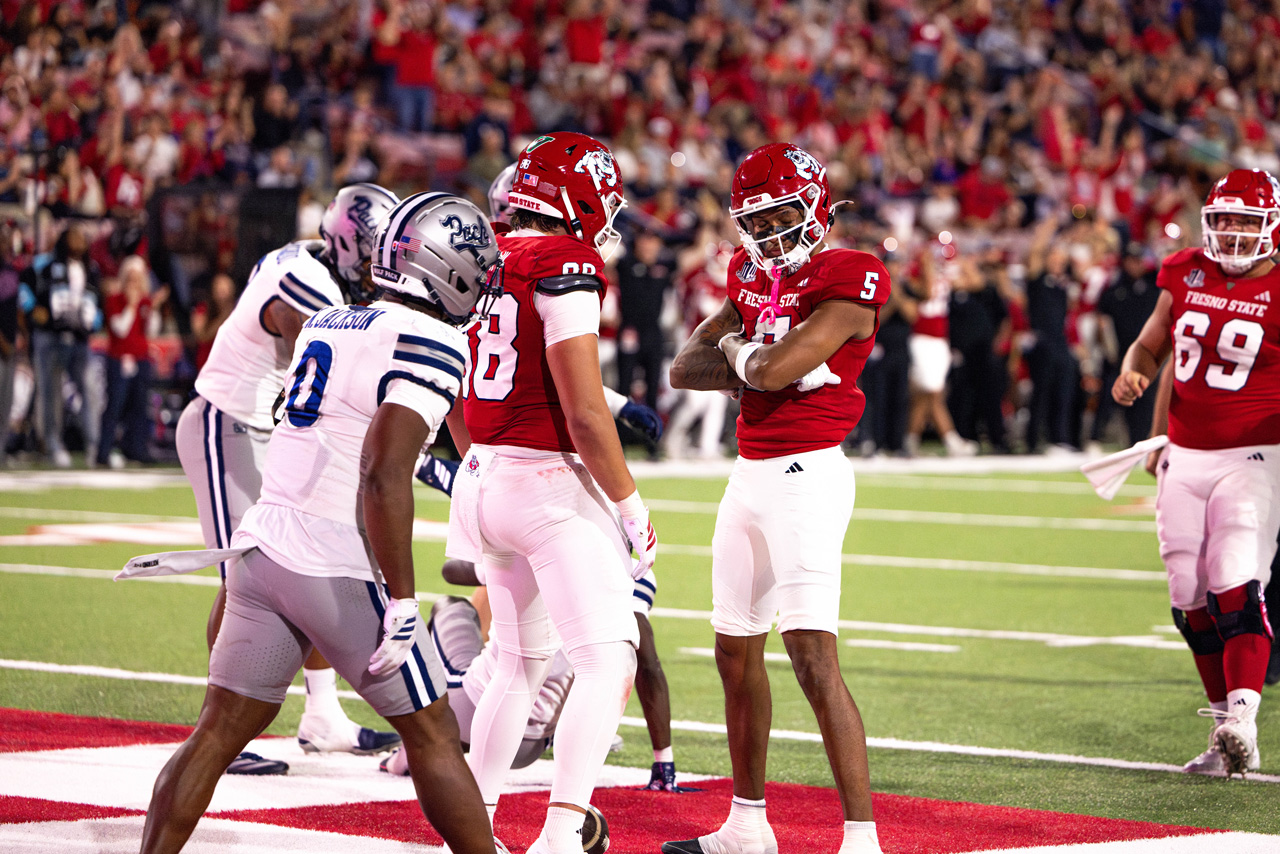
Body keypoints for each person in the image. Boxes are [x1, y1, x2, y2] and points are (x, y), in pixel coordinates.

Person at [135, 192, 503, 854]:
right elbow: (381, 472)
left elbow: (338, 434)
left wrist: (443, 474)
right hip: (334, 560)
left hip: (261, 548)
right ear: (447, 271)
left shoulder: (334, 319)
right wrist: (400, 599)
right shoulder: (435, 338)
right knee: (434, 731)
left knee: (217, 732)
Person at [666, 142, 887, 854]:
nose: (771, 235)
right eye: (756, 222)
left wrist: (742, 357)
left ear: (818, 204)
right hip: (749, 475)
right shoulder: (748, 273)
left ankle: (861, 839)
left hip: (809, 476)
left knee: (812, 656)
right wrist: (743, 358)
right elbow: (683, 367)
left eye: (784, 216)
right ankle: (747, 824)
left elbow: (774, 366)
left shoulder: (853, 274)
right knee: (734, 652)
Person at [459, 131, 655, 854]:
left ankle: (472, 828)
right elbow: (583, 410)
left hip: (485, 477)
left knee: (516, 662)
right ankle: (561, 834)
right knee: (610, 661)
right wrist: (631, 505)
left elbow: (457, 384)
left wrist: (478, 464)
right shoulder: (564, 260)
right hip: (545, 486)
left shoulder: (487, 255)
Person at [173, 183, 402, 774]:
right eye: (376, 251)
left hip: (265, 429)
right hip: (227, 423)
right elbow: (309, 344)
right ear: (351, 245)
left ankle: (322, 716)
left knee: (307, 556)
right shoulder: (310, 281)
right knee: (245, 571)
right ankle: (217, 730)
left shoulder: (305, 256)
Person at [1113, 168, 1280, 778]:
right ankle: (1220, 732)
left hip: (1256, 453)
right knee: (1188, 596)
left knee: (1235, 578)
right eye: (1225, 220)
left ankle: (1243, 720)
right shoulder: (1185, 270)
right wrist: (1135, 372)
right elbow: (1152, 347)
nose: (1234, 234)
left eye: (1246, 221)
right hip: (1183, 453)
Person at [25, 222, 101, 467]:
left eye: (82, 237)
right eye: (74, 236)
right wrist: (31, 309)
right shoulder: (45, 264)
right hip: (50, 337)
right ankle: (53, 444)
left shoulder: (91, 268)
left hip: (78, 340)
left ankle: (93, 445)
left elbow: (97, 300)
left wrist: (95, 322)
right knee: (50, 393)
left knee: (88, 391)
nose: (80, 240)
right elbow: (24, 285)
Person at [97, 255, 166, 468]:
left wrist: (153, 307)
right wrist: (131, 305)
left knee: (139, 406)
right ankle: (104, 452)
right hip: (119, 359)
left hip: (141, 359)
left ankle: (136, 449)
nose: (134, 284)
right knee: (115, 405)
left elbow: (152, 329)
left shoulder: (146, 302)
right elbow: (120, 329)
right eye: (131, 279)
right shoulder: (115, 300)